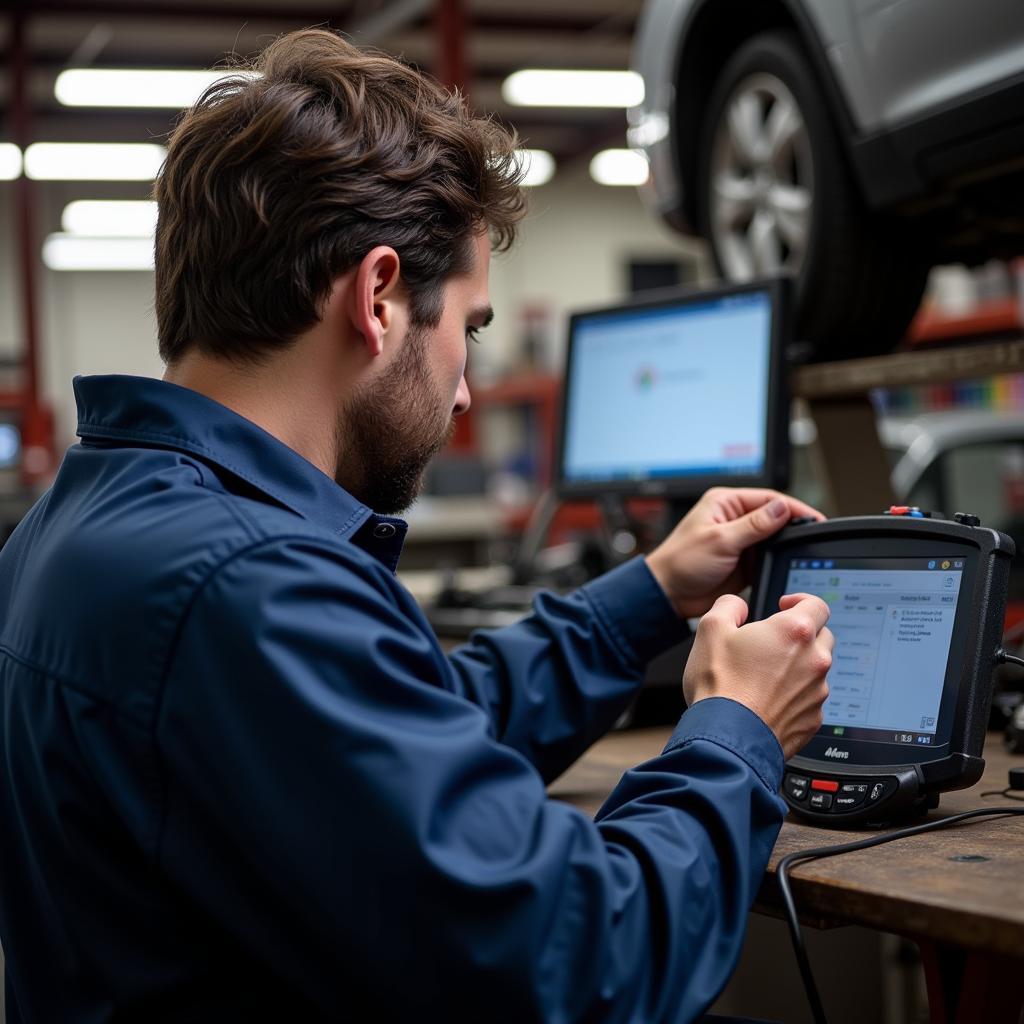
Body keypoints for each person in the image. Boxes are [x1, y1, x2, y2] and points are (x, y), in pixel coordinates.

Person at [0, 29, 832, 1024]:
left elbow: (398, 733)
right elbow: (582, 961)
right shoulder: (242, 585)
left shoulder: (79, 527)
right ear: (380, 296)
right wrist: (736, 730)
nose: (467, 391)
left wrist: (648, 592)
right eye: (468, 330)